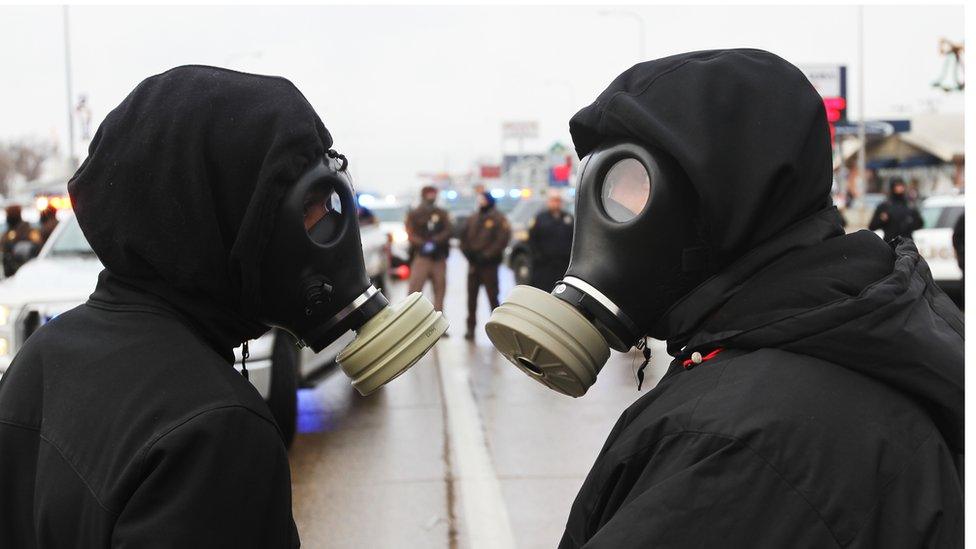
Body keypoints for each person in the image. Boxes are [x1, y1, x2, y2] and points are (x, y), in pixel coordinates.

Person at [486, 49, 962, 547]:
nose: (604, 218)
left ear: (723, 199)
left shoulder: (735, 445)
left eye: (628, 185)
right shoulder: (861, 327)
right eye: (598, 186)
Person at [0, 66, 370, 548]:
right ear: (225, 211)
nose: (323, 226)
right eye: (308, 205)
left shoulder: (45, 356)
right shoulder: (218, 431)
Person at [460, 191, 510, 340]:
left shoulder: (498, 218)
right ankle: (470, 329)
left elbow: (502, 239)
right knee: (471, 299)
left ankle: (498, 331)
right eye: (479, 199)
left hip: (489, 265)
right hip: (474, 265)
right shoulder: (473, 218)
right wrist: (468, 254)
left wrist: (487, 255)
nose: (481, 202)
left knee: (492, 297)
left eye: (483, 199)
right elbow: (463, 238)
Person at [405, 185, 452, 312]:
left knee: (440, 290)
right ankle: (411, 318)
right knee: (414, 290)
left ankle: (439, 321)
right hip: (422, 256)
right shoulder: (415, 213)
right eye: (429, 194)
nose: (432, 196)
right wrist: (423, 244)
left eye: (433, 194)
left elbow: (448, 230)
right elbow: (410, 233)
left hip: (439, 256)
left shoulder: (441, 213)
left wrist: (436, 241)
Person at [528, 189, 574, 291]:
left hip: (563, 266)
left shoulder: (568, 218)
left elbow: (574, 239)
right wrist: (538, 256)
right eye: (553, 200)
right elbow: (532, 240)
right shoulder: (540, 218)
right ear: (548, 202)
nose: (556, 203)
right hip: (544, 266)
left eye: (558, 200)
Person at [1, 204, 42, 277]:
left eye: (9, 215)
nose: (7, 218)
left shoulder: (26, 230)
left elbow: (37, 246)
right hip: (11, 270)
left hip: (24, 268)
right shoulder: (9, 232)